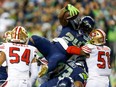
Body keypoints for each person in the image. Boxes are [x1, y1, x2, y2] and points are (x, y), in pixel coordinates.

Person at [28, 4, 95, 77]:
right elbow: (60, 17)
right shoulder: (71, 26)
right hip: (51, 46)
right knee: (34, 38)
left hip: (62, 53)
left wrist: (75, 50)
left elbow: (84, 53)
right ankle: (27, 57)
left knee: (56, 60)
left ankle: (44, 69)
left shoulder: (86, 41)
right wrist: (66, 9)